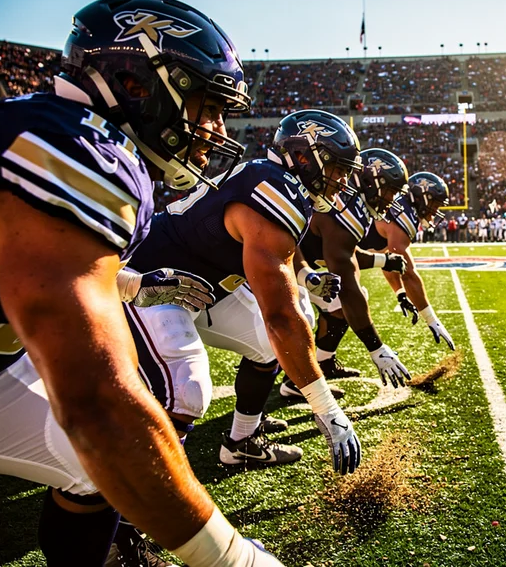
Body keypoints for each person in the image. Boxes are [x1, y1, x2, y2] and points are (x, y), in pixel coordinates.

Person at [0, 0, 282, 567]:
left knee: (89, 466)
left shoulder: (52, 127)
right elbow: (97, 405)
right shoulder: (83, 151)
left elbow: (8, 260)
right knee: (114, 431)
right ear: (139, 84)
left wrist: (126, 284)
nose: (216, 127)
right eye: (207, 102)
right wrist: (231, 558)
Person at [127, 109, 363, 475]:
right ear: (304, 156)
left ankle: (241, 442)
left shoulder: (278, 183)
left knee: (267, 345)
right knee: (185, 388)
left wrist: (304, 276)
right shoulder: (276, 189)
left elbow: (278, 254)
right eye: (338, 168)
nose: (343, 181)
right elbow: (281, 317)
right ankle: (126, 520)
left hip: (205, 286)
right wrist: (327, 408)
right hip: (151, 281)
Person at [286, 148, 413, 396]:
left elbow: (345, 253)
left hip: (299, 264)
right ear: (370, 182)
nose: (393, 199)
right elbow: (346, 276)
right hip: (280, 264)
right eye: (390, 191)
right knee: (285, 327)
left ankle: (319, 365)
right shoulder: (344, 210)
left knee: (336, 307)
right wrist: (376, 347)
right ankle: (294, 383)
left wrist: (383, 260)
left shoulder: (353, 205)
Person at [358, 171, 455, 351]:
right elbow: (408, 274)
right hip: (327, 253)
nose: (436, 211)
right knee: (346, 301)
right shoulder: (403, 214)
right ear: (422, 198)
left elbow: (390, 261)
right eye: (434, 204)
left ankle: (325, 361)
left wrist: (400, 293)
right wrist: (431, 318)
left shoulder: (402, 210)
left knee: (338, 306)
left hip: (336, 255)